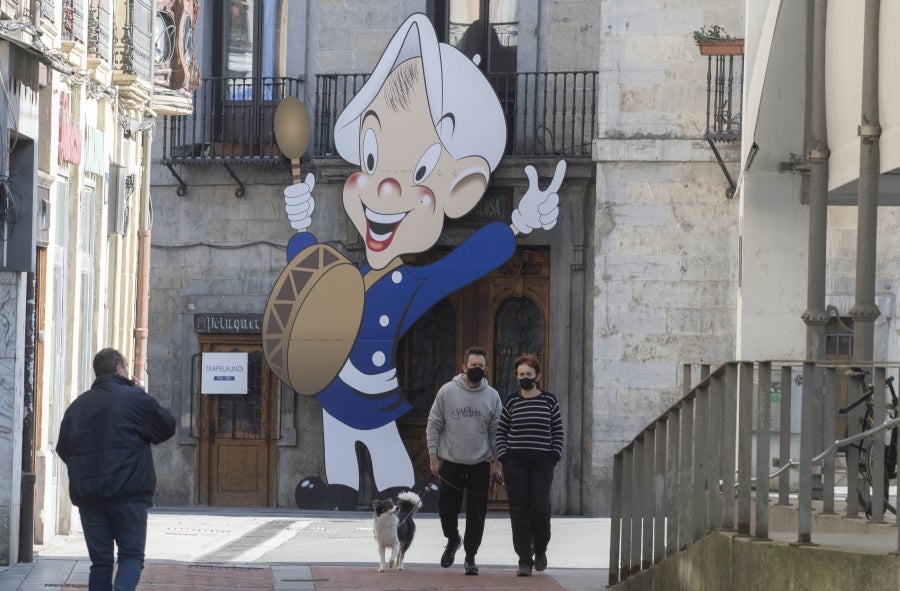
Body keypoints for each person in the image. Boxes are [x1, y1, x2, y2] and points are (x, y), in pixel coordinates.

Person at [57, 348, 176, 591]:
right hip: (128, 495)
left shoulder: (77, 407)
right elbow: (167, 426)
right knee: (131, 556)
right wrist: (141, 392)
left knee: (100, 562)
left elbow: (63, 449)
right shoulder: (134, 398)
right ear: (119, 369)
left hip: (90, 497)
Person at [425, 346, 503, 575]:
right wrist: (432, 457)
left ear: (486, 368)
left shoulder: (492, 396)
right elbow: (434, 424)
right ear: (463, 367)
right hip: (451, 462)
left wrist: (496, 464)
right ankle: (452, 539)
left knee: (477, 513)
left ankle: (470, 556)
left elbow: (496, 432)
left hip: (480, 464)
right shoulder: (447, 392)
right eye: (473, 365)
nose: (477, 369)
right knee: (446, 509)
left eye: (481, 366)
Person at [496, 353, 564, 577]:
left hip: (542, 463)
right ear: (516, 377)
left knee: (540, 509)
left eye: (529, 374)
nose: (525, 377)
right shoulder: (511, 401)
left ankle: (541, 549)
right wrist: (504, 456)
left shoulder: (549, 400)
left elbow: (558, 430)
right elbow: (501, 432)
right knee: (519, 511)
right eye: (521, 374)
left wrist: (554, 454)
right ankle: (524, 559)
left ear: (537, 375)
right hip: (515, 463)